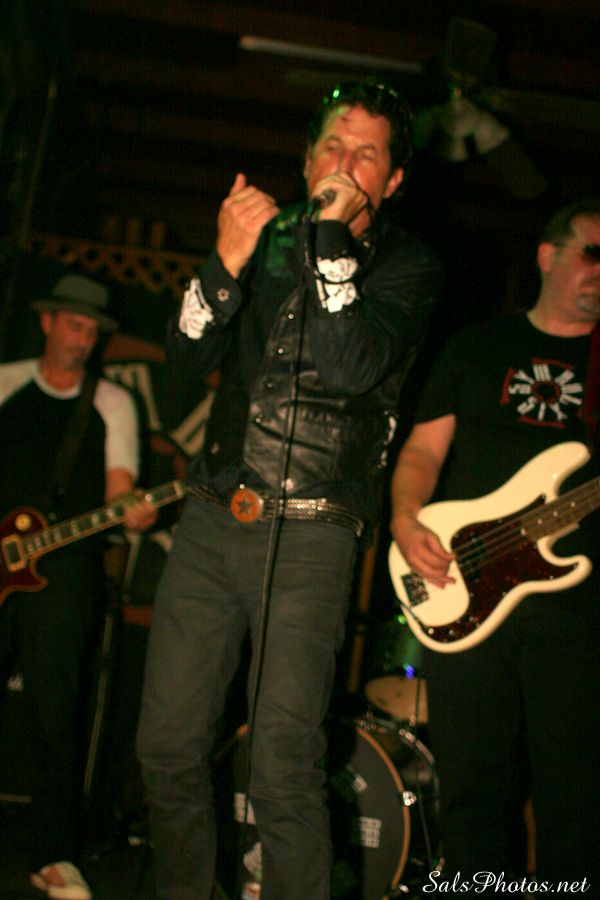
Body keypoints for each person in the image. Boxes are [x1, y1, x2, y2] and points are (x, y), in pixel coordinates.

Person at [136, 79, 443, 900]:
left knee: (280, 761)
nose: (344, 163)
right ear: (306, 160)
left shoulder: (409, 266)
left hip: (312, 532)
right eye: (332, 146)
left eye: (366, 154)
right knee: (166, 745)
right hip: (212, 517)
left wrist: (331, 240)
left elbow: (349, 366)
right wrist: (223, 264)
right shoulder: (262, 241)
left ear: (392, 180)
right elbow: (182, 365)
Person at [390, 198, 600, 891]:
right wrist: (406, 520)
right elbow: (422, 450)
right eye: (593, 254)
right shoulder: (478, 345)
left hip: (578, 609)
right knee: (473, 786)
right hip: (466, 583)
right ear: (548, 255)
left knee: (575, 793)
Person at [0, 274, 157, 900]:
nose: (81, 339)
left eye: (91, 331)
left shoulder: (112, 402)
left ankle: (54, 857)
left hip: (63, 573)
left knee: (55, 714)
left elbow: (121, 489)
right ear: (47, 322)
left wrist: (134, 510)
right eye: (73, 325)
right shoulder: (6, 383)